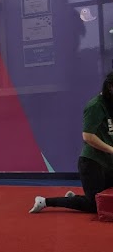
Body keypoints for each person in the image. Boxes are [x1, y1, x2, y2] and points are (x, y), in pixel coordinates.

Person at [30, 72, 113, 215]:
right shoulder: (95, 106)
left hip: (108, 162)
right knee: (95, 205)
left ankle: (73, 199)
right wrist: (111, 149)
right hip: (93, 162)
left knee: (104, 200)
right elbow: (88, 136)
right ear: (110, 87)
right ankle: (45, 201)